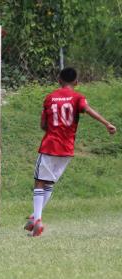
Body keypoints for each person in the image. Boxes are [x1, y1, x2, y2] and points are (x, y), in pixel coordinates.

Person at [24, 67, 116, 237]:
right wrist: (107, 123)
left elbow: (43, 126)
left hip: (50, 145)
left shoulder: (50, 98)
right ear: (76, 82)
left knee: (39, 182)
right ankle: (34, 216)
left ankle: (37, 220)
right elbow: (88, 109)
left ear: (59, 80)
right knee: (49, 183)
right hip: (67, 149)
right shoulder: (78, 98)